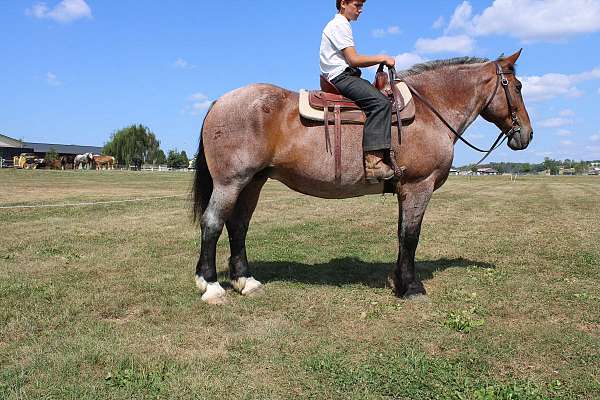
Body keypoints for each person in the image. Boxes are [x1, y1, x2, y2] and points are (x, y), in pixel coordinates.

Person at [320, 0, 396, 183]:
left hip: (340, 75)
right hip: (340, 77)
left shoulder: (340, 24)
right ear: (343, 3)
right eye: (357, 5)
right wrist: (382, 57)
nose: (360, 10)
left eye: (362, 5)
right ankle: (374, 163)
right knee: (381, 103)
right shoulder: (340, 24)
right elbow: (353, 59)